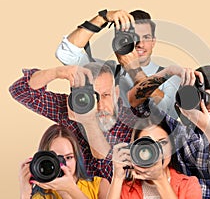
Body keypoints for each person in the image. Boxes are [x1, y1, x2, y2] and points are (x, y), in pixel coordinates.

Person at [127, 65, 210, 198]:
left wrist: (207, 127)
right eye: (206, 96)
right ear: (195, 96)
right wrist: (169, 72)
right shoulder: (179, 133)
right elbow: (135, 101)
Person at [10, 62, 139, 183]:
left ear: (116, 92)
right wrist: (57, 72)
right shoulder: (73, 107)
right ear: (78, 94)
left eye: (106, 95)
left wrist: (89, 123)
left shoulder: (132, 122)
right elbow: (20, 91)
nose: (99, 105)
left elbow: (116, 175)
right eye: (92, 96)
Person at [55, 9, 181, 118]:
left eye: (146, 37)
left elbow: (169, 114)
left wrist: (134, 70)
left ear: (153, 42)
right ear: (122, 40)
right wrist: (102, 18)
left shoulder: (169, 76)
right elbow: (65, 53)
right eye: (134, 37)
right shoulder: (107, 71)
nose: (140, 44)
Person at [107, 116, 202, 199]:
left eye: (162, 143)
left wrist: (160, 179)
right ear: (135, 151)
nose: (157, 152)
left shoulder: (189, 185)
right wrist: (117, 178)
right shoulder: (126, 189)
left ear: (172, 147)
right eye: (148, 146)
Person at [19, 124, 110, 199]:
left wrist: (70, 189)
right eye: (55, 159)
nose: (62, 165)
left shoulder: (100, 186)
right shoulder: (40, 195)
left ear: (77, 158)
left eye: (68, 157)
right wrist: (25, 193)